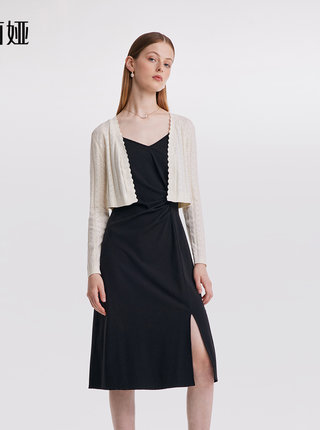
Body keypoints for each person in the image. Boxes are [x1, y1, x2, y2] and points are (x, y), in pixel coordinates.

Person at [86, 31, 219, 430]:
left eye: (168, 63)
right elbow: (97, 210)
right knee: (121, 364)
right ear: (131, 64)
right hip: (122, 255)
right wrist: (93, 269)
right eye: (152, 59)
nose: (161, 68)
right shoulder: (104, 134)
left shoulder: (182, 127)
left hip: (170, 246)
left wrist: (200, 260)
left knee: (201, 361)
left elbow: (193, 199)